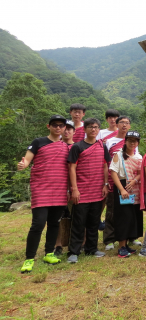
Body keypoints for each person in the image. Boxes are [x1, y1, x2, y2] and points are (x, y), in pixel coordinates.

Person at [18, 115, 70, 273]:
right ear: (49, 126)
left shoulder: (66, 146)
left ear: (64, 128)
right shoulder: (38, 142)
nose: (58, 128)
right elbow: (27, 160)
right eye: (55, 125)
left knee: (54, 223)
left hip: (59, 189)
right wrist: (23, 164)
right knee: (38, 224)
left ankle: (49, 253)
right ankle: (29, 258)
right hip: (41, 188)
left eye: (61, 125)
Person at [67, 118, 111, 263]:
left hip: (97, 190)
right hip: (82, 191)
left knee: (94, 222)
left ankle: (91, 249)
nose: (94, 129)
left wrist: (105, 184)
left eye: (96, 127)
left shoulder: (102, 146)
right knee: (78, 222)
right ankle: (74, 251)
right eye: (91, 127)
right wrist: (75, 189)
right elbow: (72, 168)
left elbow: (105, 166)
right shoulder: (77, 147)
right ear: (85, 129)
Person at [103, 116, 137, 250]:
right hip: (114, 181)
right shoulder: (109, 141)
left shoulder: (133, 142)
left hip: (130, 182)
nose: (124, 125)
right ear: (116, 124)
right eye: (122, 122)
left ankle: (130, 237)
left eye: (127, 123)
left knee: (128, 211)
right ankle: (109, 239)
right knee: (112, 211)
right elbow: (105, 163)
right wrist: (106, 182)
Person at [109, 131, 143, 258]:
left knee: (132, 217)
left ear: (138, 143)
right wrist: (121, 189)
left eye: (135, 141)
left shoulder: (139, 157)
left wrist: (135, 180)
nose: (132, 143)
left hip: (134, 188)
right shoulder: (118, 155)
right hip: (122, 187)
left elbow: (140, 172)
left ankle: (126, 244)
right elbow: (113, 172)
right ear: (125, 141)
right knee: (123, 217)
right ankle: (121, 246)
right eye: (130, 140)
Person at [54, 119, 76, 256]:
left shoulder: (78, 147)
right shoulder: (55, 146)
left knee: (78, 217)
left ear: (74, 131)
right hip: (58, 188)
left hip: (75, 188)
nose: (66, 131)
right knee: (57, 218)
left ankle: (78, 243)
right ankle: (58, 245)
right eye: (64, 128)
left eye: (70, 129)